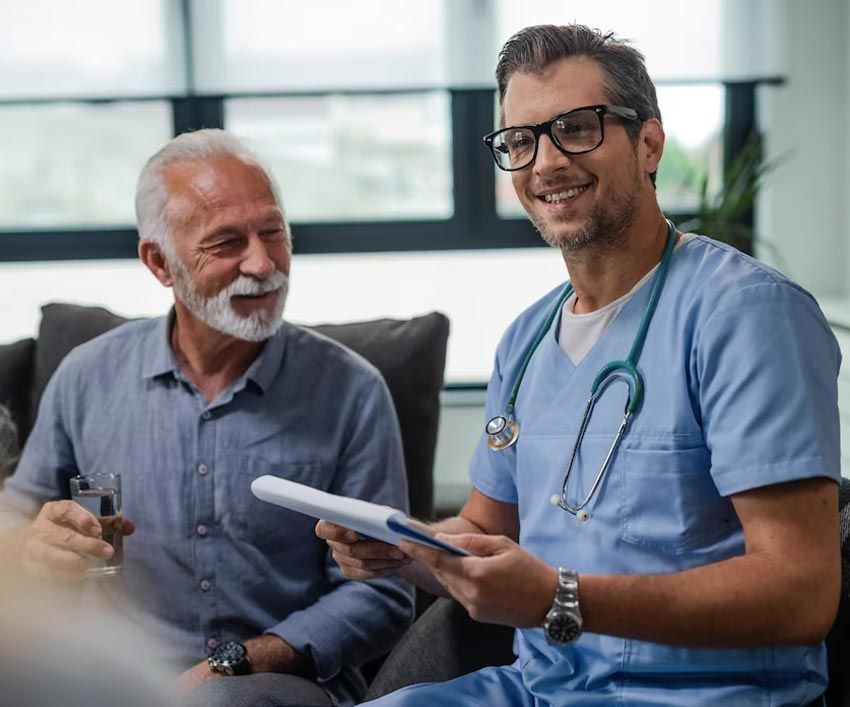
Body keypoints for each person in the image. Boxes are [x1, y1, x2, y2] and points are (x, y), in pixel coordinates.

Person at [317, 24, 841, 706]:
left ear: (648, 144)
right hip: (540, 689)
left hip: (707, 694)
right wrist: (402, 546)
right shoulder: (527, 339)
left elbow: (800, 593)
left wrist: (563, 596)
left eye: (576, 127)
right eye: (522, 140)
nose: (545, 163)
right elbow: (483, 530)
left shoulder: (745, 315)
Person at [0, 129, 413, 707]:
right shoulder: (86, 375)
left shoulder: (353, 391)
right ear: (159, 262)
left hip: (272, 680)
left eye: (274, 233)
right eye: (227, 243)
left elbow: (381, 594)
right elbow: (15, 517)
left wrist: (233, 665)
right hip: (109, 673)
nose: (264, 263)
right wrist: (31, 547)